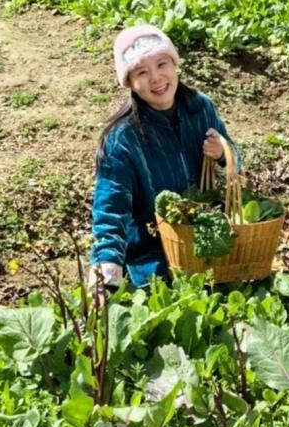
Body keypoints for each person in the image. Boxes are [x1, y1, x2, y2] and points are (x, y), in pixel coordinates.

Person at [88, 24, 237, 293]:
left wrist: (223, 154)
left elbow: (235, 157)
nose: (156, 78)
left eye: (162, 64)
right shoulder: (123, 138)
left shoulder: (200, 107)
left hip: (206, 240)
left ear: (175, 64)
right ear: (129, 83)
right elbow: (110, 209)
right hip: (151, 253)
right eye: (142, 72)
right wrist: (104, 278)